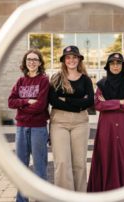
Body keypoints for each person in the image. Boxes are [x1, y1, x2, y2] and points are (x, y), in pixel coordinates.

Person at [87, 53, 124, 192]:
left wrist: (109, 103)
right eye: (112, 63)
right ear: (108, 66)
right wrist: (119, 102)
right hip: (107, 126)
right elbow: (98, 105)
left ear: (123, 66)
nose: (115, 66)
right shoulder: (102, 84)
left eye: (118, 63)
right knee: (106, 155)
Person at [49, 45, 94, 192]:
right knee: (62, 162)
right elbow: (53, 101)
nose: (71, 60)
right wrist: (79, 104)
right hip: (59, 123)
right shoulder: (56, 78)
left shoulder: (86, 80)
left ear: (79, 59)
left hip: (80, 122)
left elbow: (90, 102)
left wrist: (66, 100)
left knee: (79, 163)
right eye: (68, 57)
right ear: (64, 60)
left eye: (74, 57)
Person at [8, 49, 50, 202]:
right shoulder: (20, 81)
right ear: (25, 63)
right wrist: (26, 101)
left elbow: (40, 106)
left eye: (35, 59)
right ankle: (21, 199)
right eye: (29, 59)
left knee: (40, 166)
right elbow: (10, 102)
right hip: (21, 128)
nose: (31, 62)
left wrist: (22, 107)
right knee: (21, 166)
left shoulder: (44, 81)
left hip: (38, 128)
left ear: (40, 63)